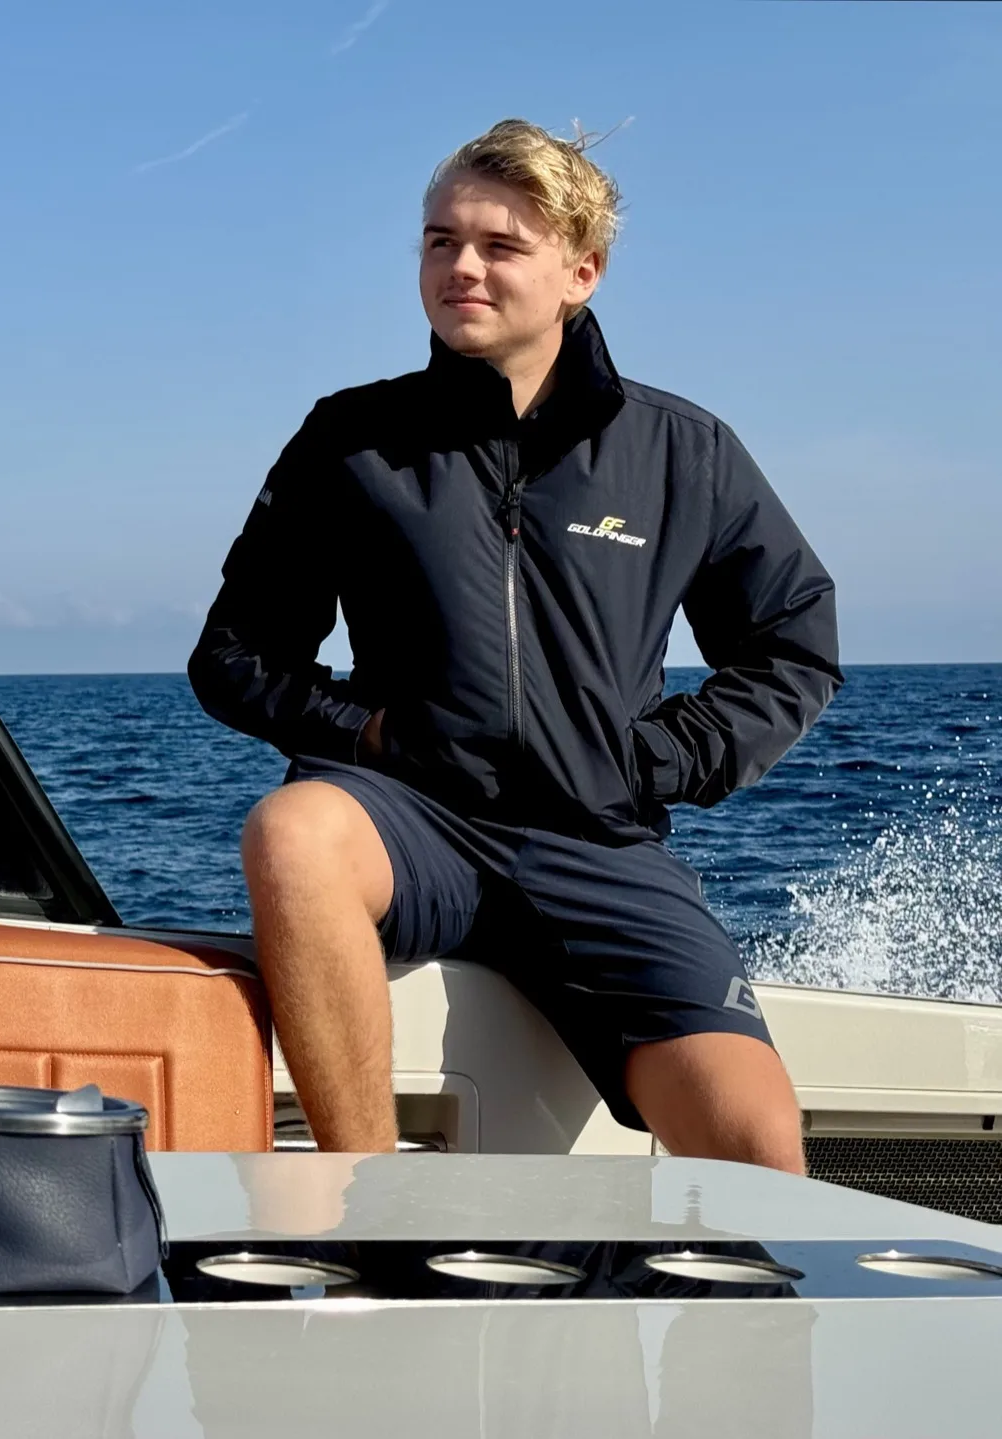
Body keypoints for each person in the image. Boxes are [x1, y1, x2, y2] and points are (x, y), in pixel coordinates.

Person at [188, 119, 841, 1172]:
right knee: (294, 832)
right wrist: (366, 730)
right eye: (440, 241)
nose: (461, 267)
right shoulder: (351, 441)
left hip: (599, 840)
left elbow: (793, 641)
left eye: (499, 245)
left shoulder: (684, 451)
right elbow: (234, 652)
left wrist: (657, 759)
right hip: (414, 820)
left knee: (759, 1143)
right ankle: (370, 1204)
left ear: (581, 271)